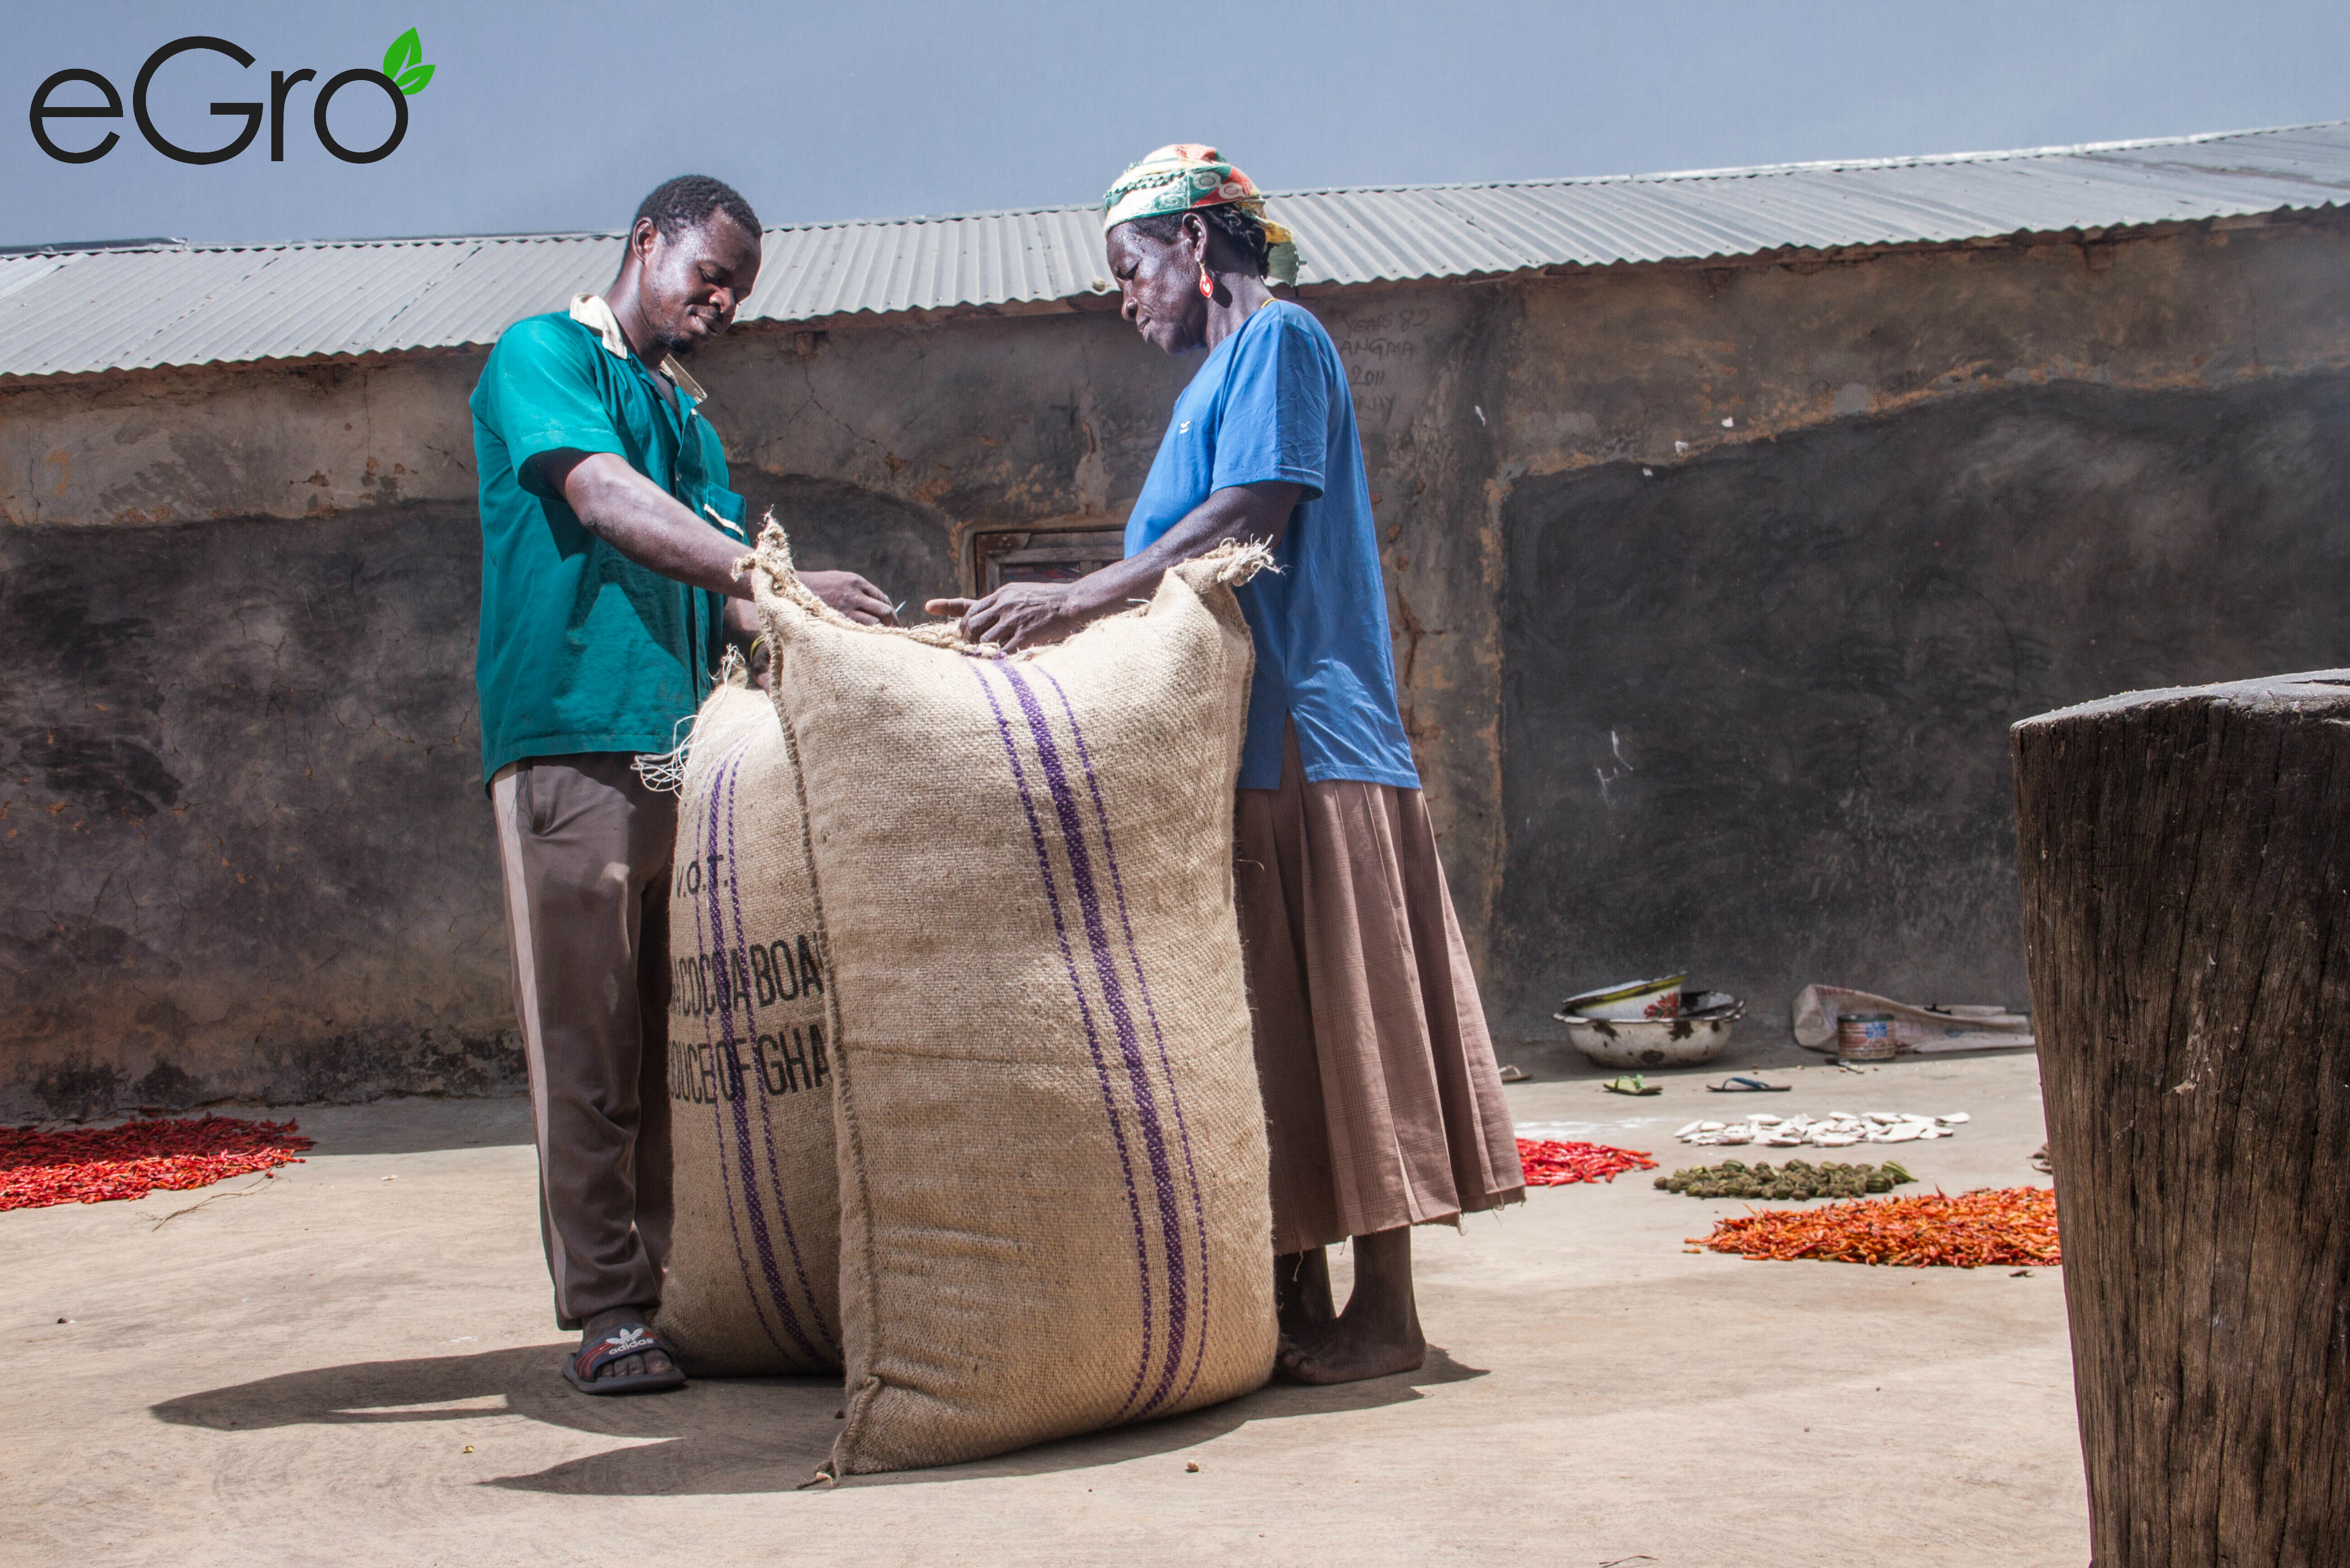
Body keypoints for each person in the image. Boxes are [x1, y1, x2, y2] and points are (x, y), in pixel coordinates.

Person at [928, 145, 1523, 1384]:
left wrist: (1076, 593)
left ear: (1195, 246)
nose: (1123, 294)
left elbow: (1252, 514)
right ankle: (1296, 1295)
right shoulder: (1212, 381)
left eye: (1129, 266)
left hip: (1307, 735)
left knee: (1342, 1014)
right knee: (1280, 1029)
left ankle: (1387, 1316)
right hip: (1244, 751)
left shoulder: (1279, 341)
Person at [471, 174, 893, 1396]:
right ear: (645, 240)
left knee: (680, 1051)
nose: (719, 305)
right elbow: (602, 498)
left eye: (737, 294)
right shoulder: (541, 354)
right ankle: (605, 1306)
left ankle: (673, 1293)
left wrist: (800, 610)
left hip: (685, 758)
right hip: (572, 742)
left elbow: (728, 585)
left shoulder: (688, 420)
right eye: (707, 275)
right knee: (589, 1042)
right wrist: (765, 576)